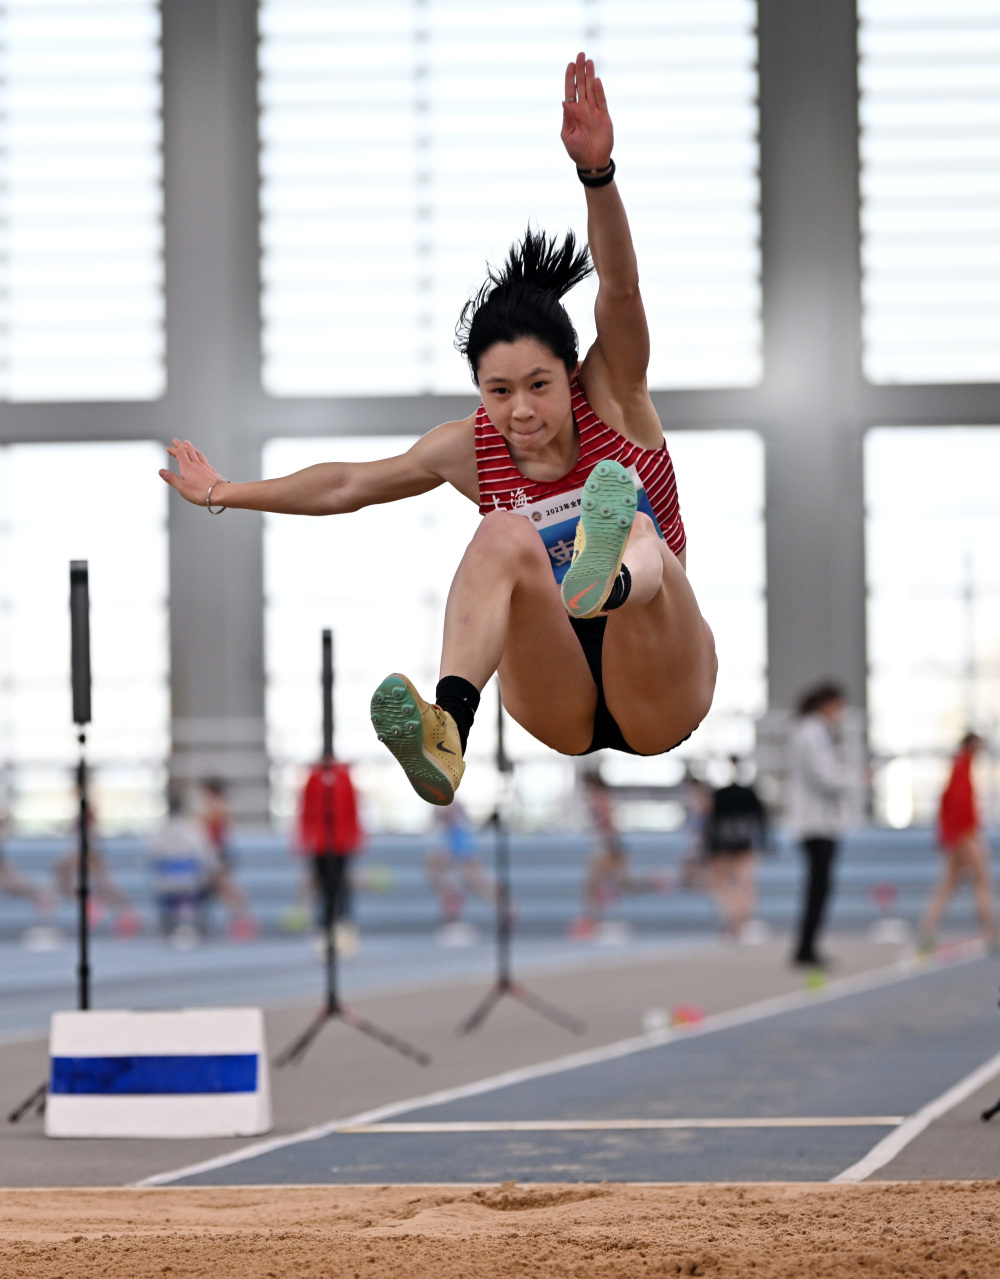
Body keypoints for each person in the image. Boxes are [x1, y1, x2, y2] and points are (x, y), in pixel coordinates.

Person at [159, 54, 717, 806]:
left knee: (635, 526)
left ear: (570, 372)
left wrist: (598, 175)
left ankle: (608, 578)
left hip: (659, 683)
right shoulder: (471, 449)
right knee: (500, 532)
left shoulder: (614, 394)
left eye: (539, 386)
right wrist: (223, 490)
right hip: (558, 696)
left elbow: (619, 287)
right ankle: (448, 728)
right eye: (499, 392)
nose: (521, 411)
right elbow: (349, 484)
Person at [786, 682, 854, 968]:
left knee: (819, 887)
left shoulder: (814, 733)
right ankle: (806, 949)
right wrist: (855, 778)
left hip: (820, 822)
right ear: (828, 704)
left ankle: (807, 947)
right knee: (818, 888)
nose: (841, 714)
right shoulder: (810, 734)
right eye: (839, 707)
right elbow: (824, 777)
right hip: (815, 824)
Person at [568, 770, 671, 940]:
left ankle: (589, 922)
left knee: (592, 885)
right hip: (609, 849)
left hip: (608, 850)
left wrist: (610, 846)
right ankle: (655, 881)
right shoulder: (601, 800)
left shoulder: (600, 800)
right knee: (623, 885)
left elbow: (608, 826)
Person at [920, 732, 997, 953]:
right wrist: (966, 837)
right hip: (964, 835)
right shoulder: (961, 767)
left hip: (957, 835)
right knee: (981, 880)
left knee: (949, 884)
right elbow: (958, 806)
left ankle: (927, 931)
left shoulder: (960, 766)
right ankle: (991, 933)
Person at [297, 753, 364, 956]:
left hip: (341, 843)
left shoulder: (343, 777)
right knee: (323, 887)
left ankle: (343, 928)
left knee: (341, 886)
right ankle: (324, 929)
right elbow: (306, 810)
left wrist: (354, 838)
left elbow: (352, 809)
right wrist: (305, 840)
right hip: (320, 844)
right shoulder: (314, 778)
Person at [703, 757, 768, 941]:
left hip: (736, 848)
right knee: (731, 886)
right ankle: (735, 921)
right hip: (726, 848)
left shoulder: (744, 794)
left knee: (742, 886)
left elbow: (761, 819)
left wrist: (764, 841)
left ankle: (739, 922)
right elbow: (712, 822)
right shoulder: (721, 794)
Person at [198, 778, 257, 940]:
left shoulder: (217, 805)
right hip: (213, 851)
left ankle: (242, 920)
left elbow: (208, 824)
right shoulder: (216, 805)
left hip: (218, 851)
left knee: (226, 888)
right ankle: (239, 919)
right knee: (219, 889)